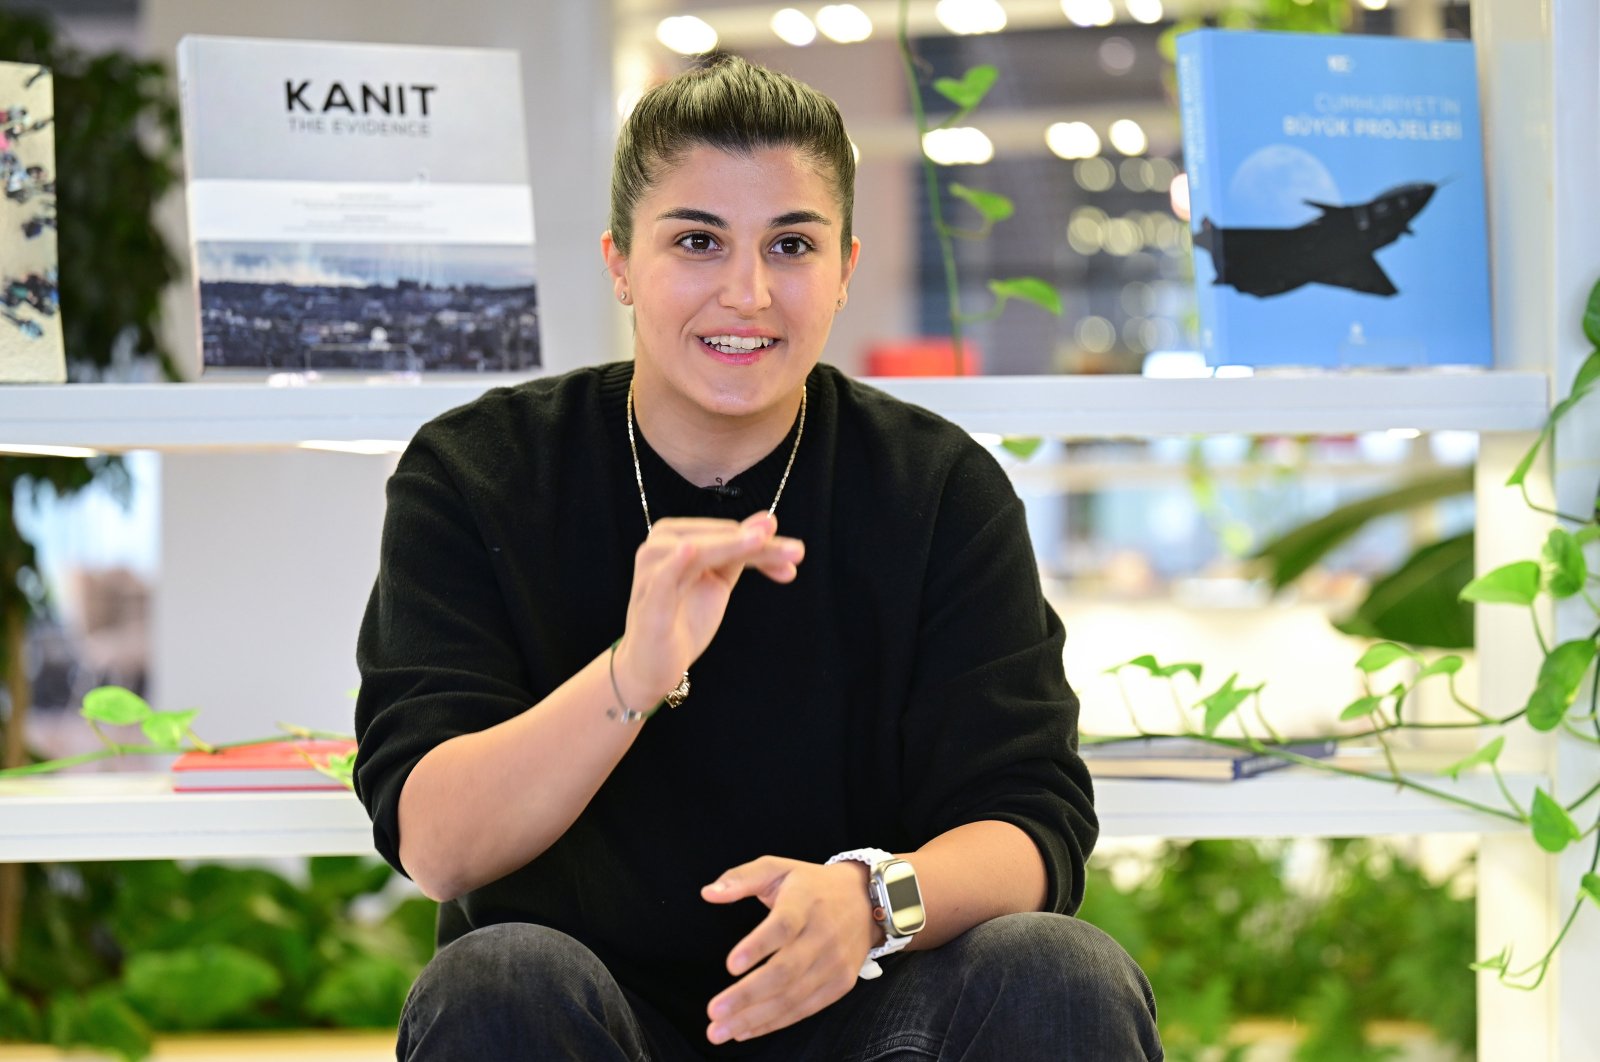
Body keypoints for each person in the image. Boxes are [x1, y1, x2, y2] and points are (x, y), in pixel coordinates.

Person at [353, 55, 1162, 1060]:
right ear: (619, 262)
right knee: (496, 979)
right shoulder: (480, 472)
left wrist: (874, 902)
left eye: (790, 244)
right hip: (582, 1017)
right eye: (697, 241)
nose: (745, 293)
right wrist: (630, 677)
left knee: (1058, 973)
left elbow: (1033, 827)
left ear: (844, 269)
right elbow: (436, 844)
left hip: (873, 1016)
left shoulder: (936, 488)